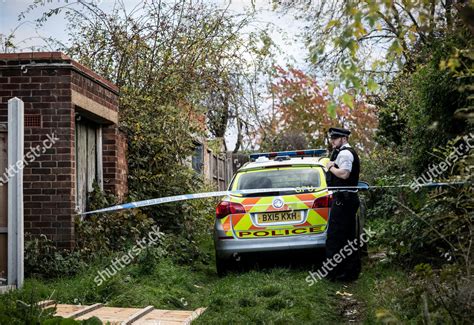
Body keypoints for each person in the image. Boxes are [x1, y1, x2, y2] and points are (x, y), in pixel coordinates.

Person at [325, 127, 361, 281]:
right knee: (347, 237)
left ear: (344, 138)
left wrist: (331, 167)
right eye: (332, 138)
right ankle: (347, 272)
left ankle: (336, 273)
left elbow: (345, 174)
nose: (332, 141)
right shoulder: (343, 152)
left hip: (343, 200)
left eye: (335, 138)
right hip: (345, 199)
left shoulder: (345, 153)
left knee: (335, 237)